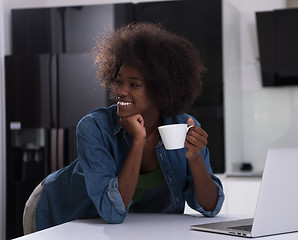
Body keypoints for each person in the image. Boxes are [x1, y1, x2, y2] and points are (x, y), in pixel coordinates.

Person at [23, 22, 225, 234]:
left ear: (161, 89)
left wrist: (195, 158)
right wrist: (138, 141)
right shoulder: (94, 127)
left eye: (134, 84)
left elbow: (210, 208)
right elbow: (112, 213)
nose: (121, 91)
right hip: (57, 214)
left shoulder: (185, 127)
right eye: (119, 82)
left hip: (129, 230)